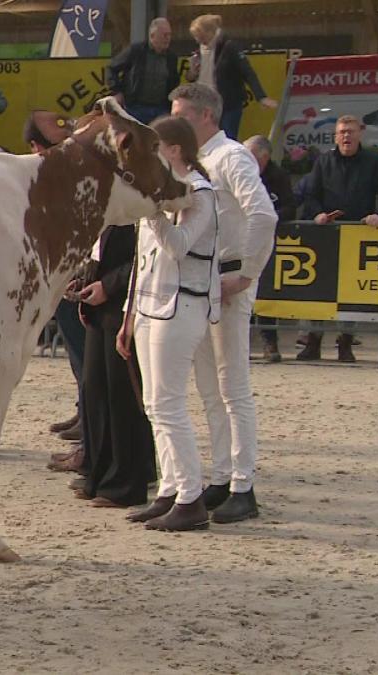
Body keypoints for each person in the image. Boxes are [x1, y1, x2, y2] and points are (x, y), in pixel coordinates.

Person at [170, 83, 277, 524]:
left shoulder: (231, 156)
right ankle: (221, 474)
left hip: (229, 272)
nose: (176, 125)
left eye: (183, 116)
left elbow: (264, 213)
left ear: (206, 116)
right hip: (204, 275)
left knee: (232, 384)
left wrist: (248, 272)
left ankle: (243, 485)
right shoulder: (200, 162)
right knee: (210, 386)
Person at [117, 115, 221, 530]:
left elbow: (178, 247)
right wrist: (127, 318)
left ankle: (191, 497)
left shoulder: (200, 193)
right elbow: (141, 264)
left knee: (169, 403)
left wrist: (154, 211)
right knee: (153, 404)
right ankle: (170, 488)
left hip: (182, 305)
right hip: (147, 306)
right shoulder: (160, 194)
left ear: (174, 150)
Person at [73, 195, 154, 508]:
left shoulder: (141, 205)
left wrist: (108, 285)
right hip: (101, 303)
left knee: (121, 394)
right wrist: (87, 282)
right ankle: (99, 471)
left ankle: (126, 480)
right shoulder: (109, 203)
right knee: (95, 389)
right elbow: (98, 250)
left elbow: (142, 259)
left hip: (125, 301)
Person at [18, 111, 88, 467]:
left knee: (86, 358)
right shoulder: (50, 176)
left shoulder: (61, 177)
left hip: (76, 278)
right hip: (64, 275)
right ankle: (84, 418)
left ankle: (89, 437)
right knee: (79, 359)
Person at [298, 115, 378, 363]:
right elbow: (310, 194)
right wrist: (318, 213)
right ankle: (314, 341)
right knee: (319, 289)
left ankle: (345, 342)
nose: (346, 136)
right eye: (342, 132)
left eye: (351, 131)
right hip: (326, 236)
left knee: (351, 291)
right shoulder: (324, 161)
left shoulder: (373, 162)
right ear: (335, 136)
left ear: (360, 133)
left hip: (358, 236)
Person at [243, 135, 295, 362]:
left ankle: (269, 342)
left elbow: (290, 207)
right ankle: (239, 345)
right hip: (238, 240)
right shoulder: (240, 173)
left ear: (264, 158)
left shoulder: (279, 177)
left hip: (267, 241)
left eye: (250, 156)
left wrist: (267, 218)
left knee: (265, 292)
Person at [186, 14, 277, 140]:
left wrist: (261, 96)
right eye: (196, 37)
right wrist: (192, 71)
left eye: (199, 36)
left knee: (228, 138)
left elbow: (247, 72)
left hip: (228, 104)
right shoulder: (199, 52)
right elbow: (192, 77)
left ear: (209, 32)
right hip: (206, 104)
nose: (197, 40)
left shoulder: (229, 47)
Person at [105, 17, 180, 125]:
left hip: (161, 108)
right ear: (152, 36)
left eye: (169, 35)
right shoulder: (136, 51)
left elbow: (174, 82)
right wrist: (117, 91)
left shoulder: (171, 57)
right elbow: (111, 68)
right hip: (136, 108)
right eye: (164, 35)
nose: (168, 38)